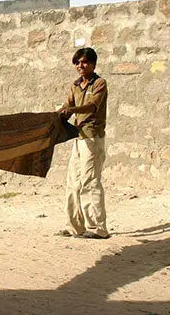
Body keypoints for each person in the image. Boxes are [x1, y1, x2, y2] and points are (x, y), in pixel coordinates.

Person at [57, 47, 109, 239]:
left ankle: (98, 229)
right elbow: (67, 105)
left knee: (90, 181)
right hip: (78, 138)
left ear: (93, 64)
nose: (81, 66)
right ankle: (75, 226)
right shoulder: (76, 85)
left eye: (85, 62)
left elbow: (92, 106)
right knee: (72, 182)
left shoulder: (100, 84)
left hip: (92, 138)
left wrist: (72, 109)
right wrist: (59, 114)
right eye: (78, 62)